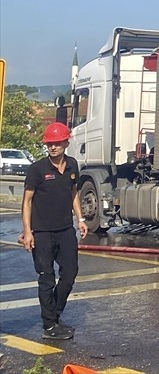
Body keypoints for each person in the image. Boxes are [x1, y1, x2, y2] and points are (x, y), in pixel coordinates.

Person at [19, 122, 87, 340]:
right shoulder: (37, 170)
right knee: (46, 278)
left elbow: (73, 193)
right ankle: (49, 325)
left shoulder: (72, 165)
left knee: (69, 274)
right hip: (42, 233)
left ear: (66, 143)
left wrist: (80, 219)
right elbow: (27, 201)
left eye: (57, 143)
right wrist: (27, 231)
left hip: (65, 230)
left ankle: (54, 316)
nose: (53, 147)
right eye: (49, 144)